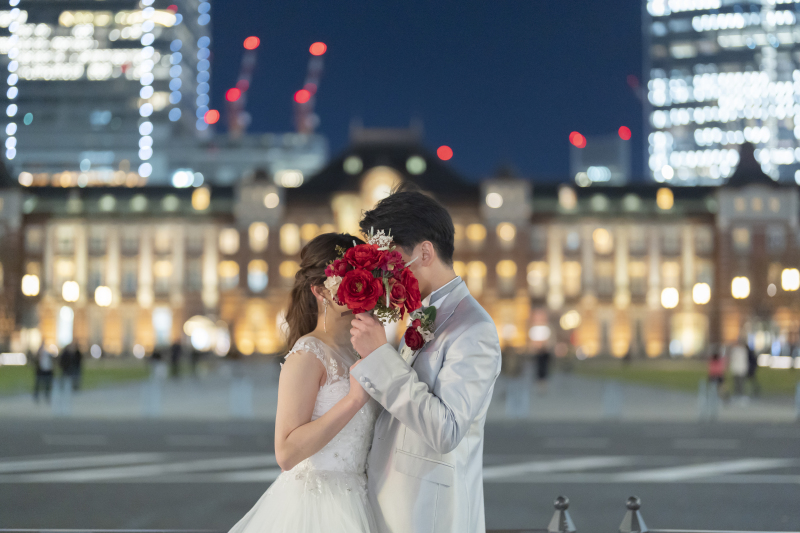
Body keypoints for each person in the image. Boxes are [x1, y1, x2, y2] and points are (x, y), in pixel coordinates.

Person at [349, 190, 502, 533]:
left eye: (389, 262)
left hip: (430, 516)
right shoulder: (424, 314)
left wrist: (379, 357)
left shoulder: (474, 328)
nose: (386, 275)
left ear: (425, 252)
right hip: (395, 504)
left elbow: (446, 430)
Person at [228, 233, 378, 533]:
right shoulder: (308, 354)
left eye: (366, 277)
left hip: (362, 497)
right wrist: (353, 400)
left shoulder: (356, 349)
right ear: (320, 291)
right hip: (316, 506)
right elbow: (286, 453)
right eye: (348, 278)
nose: (359, 287)